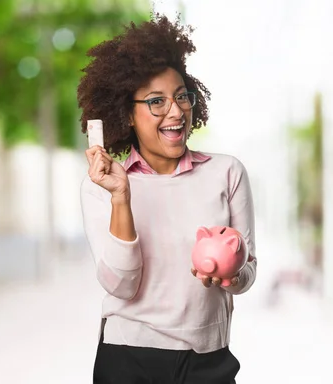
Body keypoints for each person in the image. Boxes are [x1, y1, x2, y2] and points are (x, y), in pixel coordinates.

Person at [77, 14, 257, 384]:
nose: (175, 112)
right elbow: (121, 286)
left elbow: (249, 271)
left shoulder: (227, 173)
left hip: (208, 358)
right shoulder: (102, 186)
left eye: (180, 97)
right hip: (129, 357)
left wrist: (230, 273)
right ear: (128, 114)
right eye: (156, 102)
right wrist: (121, 197)